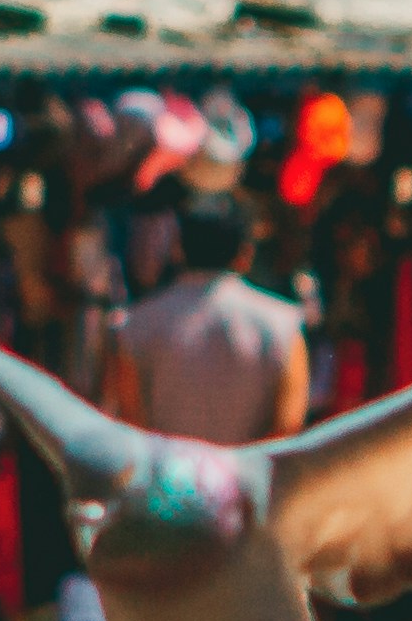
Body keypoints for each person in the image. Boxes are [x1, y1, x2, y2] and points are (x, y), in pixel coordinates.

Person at [106, 188, 311, 445]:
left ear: (178, 249)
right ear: (245, 255)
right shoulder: (284, 324)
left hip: (163, 479)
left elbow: (130, 422)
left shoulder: (134, 324)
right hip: (246, 480)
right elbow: (288, 427)